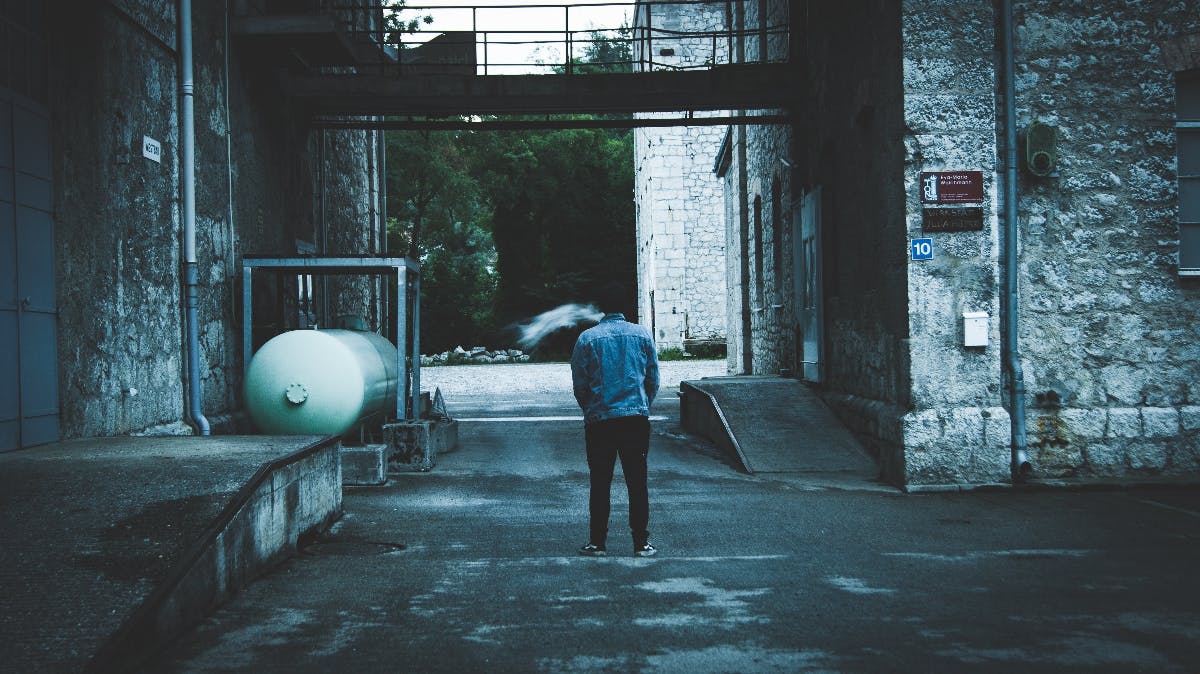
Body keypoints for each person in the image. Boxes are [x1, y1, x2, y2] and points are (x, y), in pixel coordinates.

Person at [570, 281, 660, 557]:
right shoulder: (642, 335)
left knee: (600, 482)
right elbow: (653, 379)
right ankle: (640, 543)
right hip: (634, 418)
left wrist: (591, 409)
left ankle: (598, 542)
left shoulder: (587, 338)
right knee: (637, 481)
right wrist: (642, 404)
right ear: (626, 307)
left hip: (600, 420)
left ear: (601, 308)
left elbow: (580, 384)